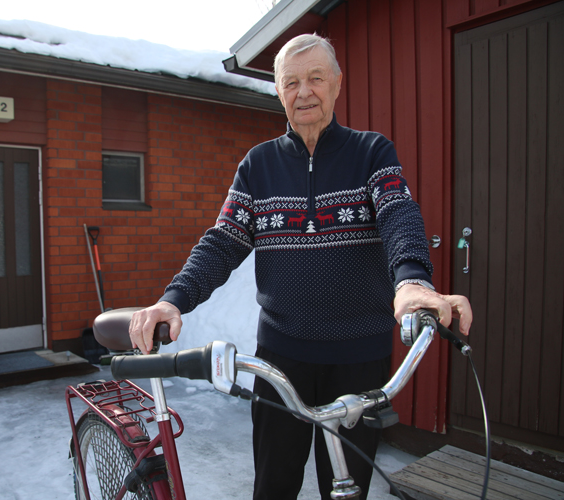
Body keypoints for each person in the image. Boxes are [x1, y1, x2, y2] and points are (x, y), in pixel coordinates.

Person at [129, 33, 472, 499]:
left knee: (346, 488)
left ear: (336, 84)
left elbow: (398, 214)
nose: (303, 91)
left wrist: (412, 279)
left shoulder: (372, 152)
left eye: (315, 78)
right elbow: (223, 241)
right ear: (278, 91)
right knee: (274, 485)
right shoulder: (258, 165)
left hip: (359, 357)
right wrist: (174, 300)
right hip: (280, 358)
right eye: (291, 82)